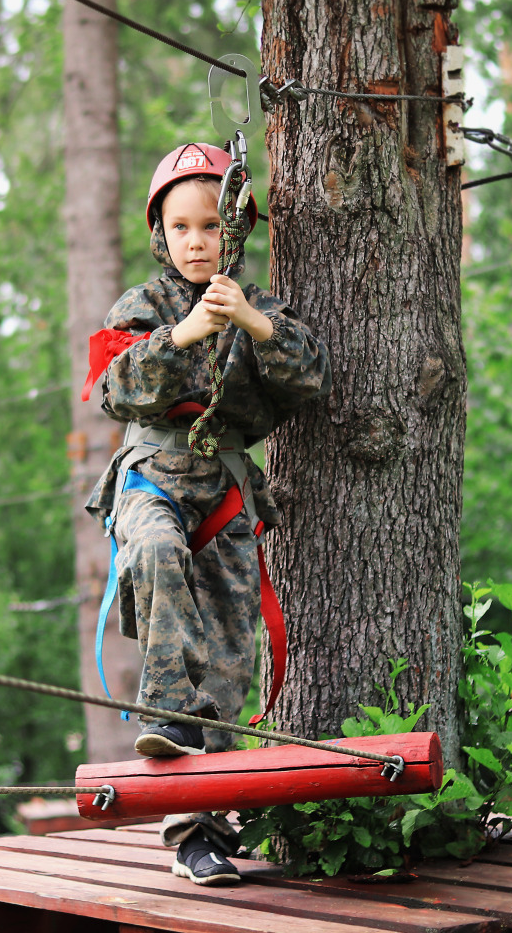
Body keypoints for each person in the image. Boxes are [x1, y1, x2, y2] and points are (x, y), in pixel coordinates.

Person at [83, 141, 331, 887]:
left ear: (236, 232)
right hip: (152, 478)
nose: (197, 242)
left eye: (212, 228)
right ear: (162, 234)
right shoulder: (143, 308)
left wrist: (249, 323)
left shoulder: (265, 311)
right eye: (183, 228)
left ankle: (203, 828)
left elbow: (309, 378)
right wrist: (186, 334)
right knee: (155, 554)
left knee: (226, 659)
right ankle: (166, 717)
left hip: (224, 492)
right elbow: (113, 386)